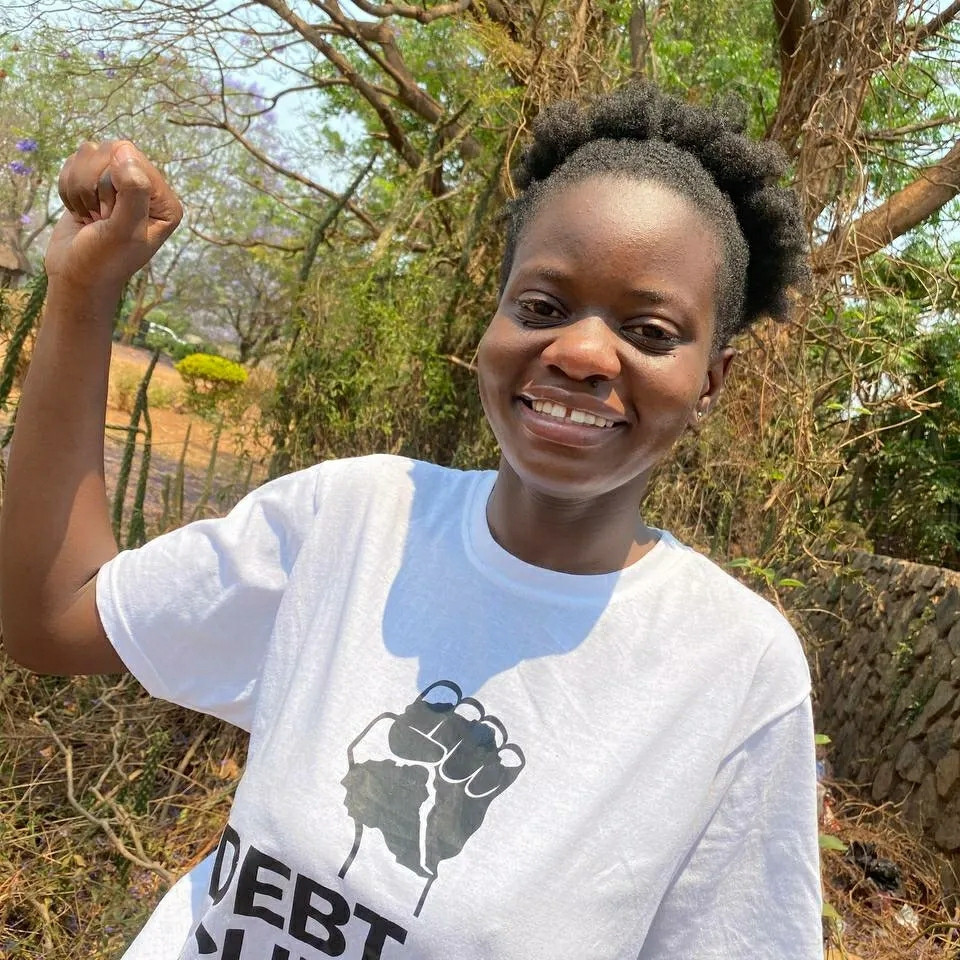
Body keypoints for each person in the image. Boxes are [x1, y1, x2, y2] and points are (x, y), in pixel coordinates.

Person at [0, 81, 822, 959]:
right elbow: (53, 620)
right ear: (494, 320)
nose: (581, 353)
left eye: (651, 331)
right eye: (541, 307)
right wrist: (83, 292)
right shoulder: (354, 518)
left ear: (712, 382)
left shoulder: (733, 670)